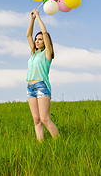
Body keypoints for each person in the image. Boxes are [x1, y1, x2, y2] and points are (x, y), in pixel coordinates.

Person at [26, 8, 59, 141]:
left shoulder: (47, 54)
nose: (37, 41)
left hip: (41, 86)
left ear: (45, 42)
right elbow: (28, 35)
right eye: (36, 39)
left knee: (45, 119)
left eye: (40, 39)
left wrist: (38, 16)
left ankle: (59, 143)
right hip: (30, 88)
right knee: (36, 120)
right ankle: (40, 146)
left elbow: (44, 32)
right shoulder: (34, 52)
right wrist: (32, 19)